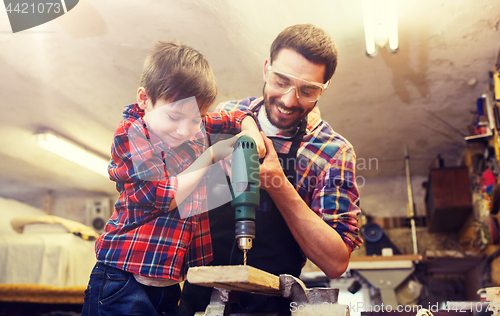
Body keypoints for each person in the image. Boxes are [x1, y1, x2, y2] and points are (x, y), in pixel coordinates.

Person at [178, 24, 363, 315]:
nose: (289, 100)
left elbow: (335, 262)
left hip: (273, 305)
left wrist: (277, 183)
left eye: (308, 90)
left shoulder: (333, 152)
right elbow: (175, 194)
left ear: (324, 88)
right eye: (281, 81)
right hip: (198, 302)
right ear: (266, 68)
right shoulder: (223, 118)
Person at [81, 41, 264, 316]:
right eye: (175, 117)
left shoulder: (191, 125)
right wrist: (210, 156)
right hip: (122, 279)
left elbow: (237, 116)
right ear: (144, 99)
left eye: (196, 119)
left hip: (168, 284)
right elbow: (163, 196)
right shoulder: (131, 133)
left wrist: (251, 132)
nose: (184, 130)